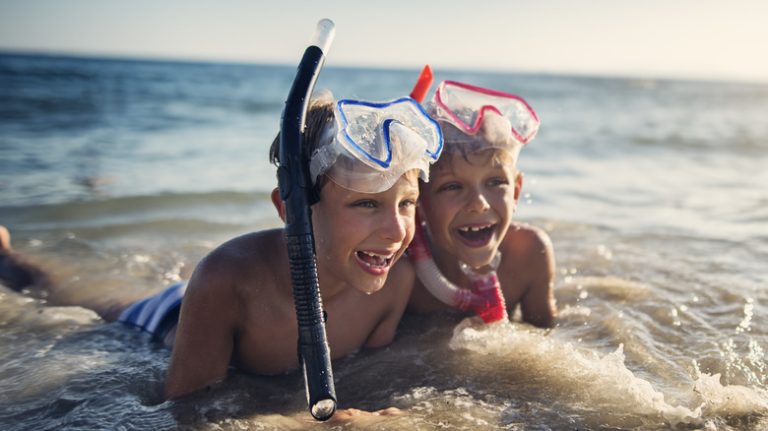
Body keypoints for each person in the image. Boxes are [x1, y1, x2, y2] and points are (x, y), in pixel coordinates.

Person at [0, 92, 444, 402]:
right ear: (291, 209)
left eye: (406, 203)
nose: (394, 229)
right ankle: (8, 256)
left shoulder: (394, 282)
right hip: (168, 318)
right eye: (366, 203)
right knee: (66, 296)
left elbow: (371, 372)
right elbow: (189, 407)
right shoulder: (228, 278)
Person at [406, 80, 557, 328]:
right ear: (419, 199)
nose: (478, 204)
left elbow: (546, 334)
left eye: (495, 182)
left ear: (516, 191)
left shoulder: (530, 255)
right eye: (452, 186)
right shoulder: (405, 276)